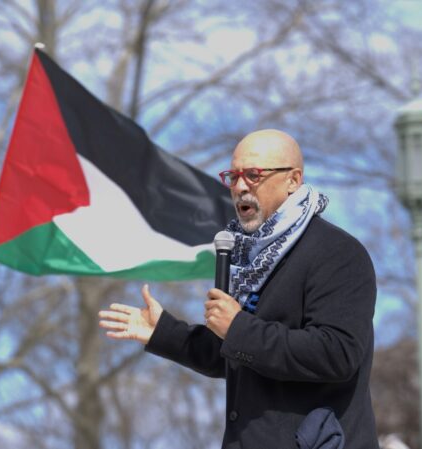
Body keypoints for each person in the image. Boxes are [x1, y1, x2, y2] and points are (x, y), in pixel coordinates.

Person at [99, 129, 378, 449]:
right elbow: (235, 355)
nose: (241, 186)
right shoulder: (247, 260)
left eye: (254, 175)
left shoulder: (336, 252)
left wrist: (238, 328)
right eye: (233, 176)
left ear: (293, 179)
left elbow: (337, 353)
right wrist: (163, 333)